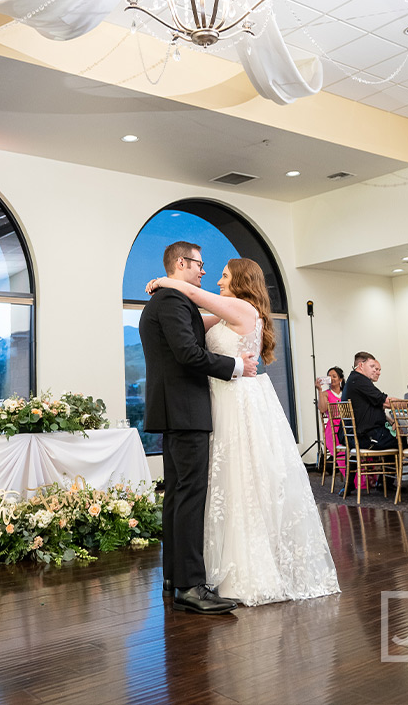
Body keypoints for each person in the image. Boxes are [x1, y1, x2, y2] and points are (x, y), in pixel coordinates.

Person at [147, 257, 339, 606]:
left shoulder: (241, 308)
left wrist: (166, 281)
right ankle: (188, 573)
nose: (217, 279)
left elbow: (194, 294)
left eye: (223, 275)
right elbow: (191, 325)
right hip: (219, 399)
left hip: (238, 399)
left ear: (240, 280)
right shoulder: (224, 314)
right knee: (221, 482)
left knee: (241, 479)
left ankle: (236, 570)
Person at [140, 241, 257, 615]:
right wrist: (236, 367)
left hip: (173, 410)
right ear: (181, 262)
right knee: (189, 497)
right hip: (185, 409)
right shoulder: (172, 301)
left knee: (176, 495)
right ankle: (191, 586)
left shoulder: (169, 300)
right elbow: (189, 354)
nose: (204, 271)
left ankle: (175, 577)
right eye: (199, 264)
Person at [341, 351, 397, 450]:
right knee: (405, 440)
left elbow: (378, 405)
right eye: (372, 367)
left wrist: (391, 421)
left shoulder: (355, 379)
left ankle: (385, 465)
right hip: (363, 437)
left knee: (398, 437)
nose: (377, 372)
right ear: (361, 365)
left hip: (356, 435)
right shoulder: (359, 380)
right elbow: (386, 402)